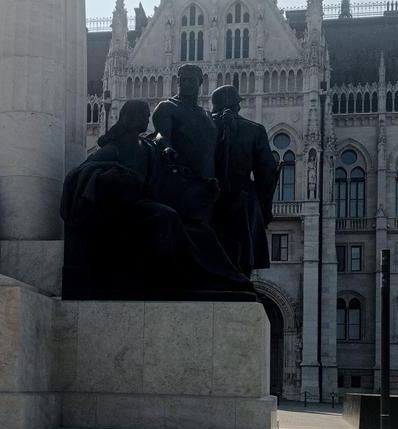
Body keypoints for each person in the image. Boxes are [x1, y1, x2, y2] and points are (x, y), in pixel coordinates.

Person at [60, 100, 253, 299]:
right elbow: (80, 173)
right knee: (167, 217)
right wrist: (115, 175)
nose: (147, 117)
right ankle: (179, 277)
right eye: (143, 114)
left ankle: (224, 277)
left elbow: (167, 179)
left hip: (147, 204)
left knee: (201, 230)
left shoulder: (148, 146)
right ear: (129, 118)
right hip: (125, 212)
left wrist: (201, 187)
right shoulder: (113, 149)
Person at [209, 85, 279, 275]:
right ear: (237, 106)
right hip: (243, 200)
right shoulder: (254, 131)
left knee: (212, 252)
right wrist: (265, 206)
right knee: (242, 254)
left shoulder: (205, 126)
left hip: (210, 199)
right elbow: (268, 173)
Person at [152, 64, 218, 226]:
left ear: (200, 83)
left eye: (192, 80)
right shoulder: (167, 107)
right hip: (181, 183)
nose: (187, 84)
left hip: (207, 185)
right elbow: (160, 134)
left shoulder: (207, 116)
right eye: (184, 80)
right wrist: (165, 146)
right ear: (178, 82)